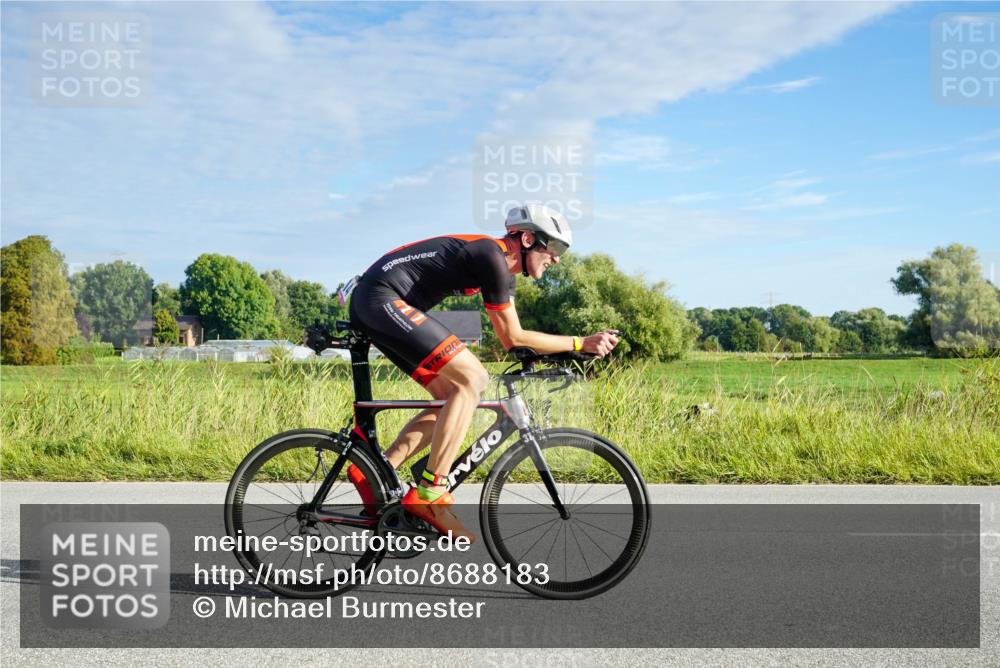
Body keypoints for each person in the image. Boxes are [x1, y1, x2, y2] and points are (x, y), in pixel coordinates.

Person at [347, 204, 619, 540]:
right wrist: (580, 342)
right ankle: (431, 492)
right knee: (473, 379)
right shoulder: (491, 255)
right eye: (554, 247)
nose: (557, 258)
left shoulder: (501, 268)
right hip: (381, 299)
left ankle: (375, 471)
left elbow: (515, 337)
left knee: (452, 397)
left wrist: (569, 350)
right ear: (528, 239)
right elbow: (513, 337)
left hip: (380, 304)